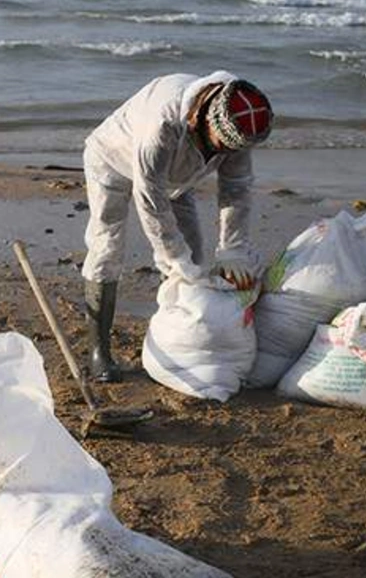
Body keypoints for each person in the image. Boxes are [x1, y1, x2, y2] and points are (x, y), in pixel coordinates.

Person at [81, 71, 274, 382]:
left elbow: (236, 189)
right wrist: (173, 259)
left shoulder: (240, 121)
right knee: (107, 248)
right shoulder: (162, 126)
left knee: (195, 256)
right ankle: (98, 353)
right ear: (206, 121)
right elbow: (150, 201)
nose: (226, 155)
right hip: (112, 161)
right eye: (221, 146)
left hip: (176, 179)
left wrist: (232, 248)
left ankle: (174, 335)